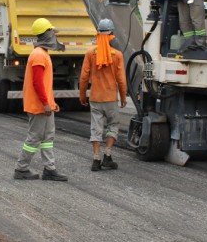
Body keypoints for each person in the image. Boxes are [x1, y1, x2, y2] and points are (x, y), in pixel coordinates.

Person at [14, 18, 68, 182]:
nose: (54, 35)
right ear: (47, 34)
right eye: (52, 32)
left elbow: (43, 83)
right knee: (34, 138)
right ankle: (21, 168)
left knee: (47, 137)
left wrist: (50, 102)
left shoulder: (41, 53)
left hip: (44, 105)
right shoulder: (38, 55)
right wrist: (45, 103)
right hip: (38, 106)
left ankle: (49, 169)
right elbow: (37, 83)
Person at [79, 18, 128, 171]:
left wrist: (82, 95)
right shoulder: (117, 55)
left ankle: (96, 159)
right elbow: (121, 79)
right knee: (113, 125)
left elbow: (83, 77)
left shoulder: (90, 53)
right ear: (112, 34)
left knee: (96, 128)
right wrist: (124, 97)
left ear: (98, 33)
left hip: (95, 97)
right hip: (111, 98)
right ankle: (107, 155)